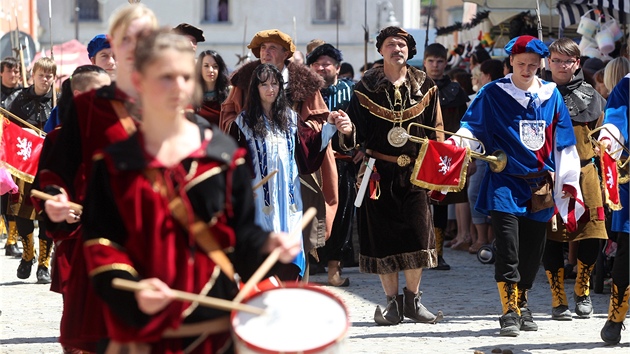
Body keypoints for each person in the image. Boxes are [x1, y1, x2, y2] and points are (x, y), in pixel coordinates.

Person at [80, 29, 300, 354]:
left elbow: (241, 235)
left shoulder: (223, 155)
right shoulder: (115, 163)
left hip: (214, 331)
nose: (178, 86)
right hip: (140, 333)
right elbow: (100, 241)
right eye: (164, 76)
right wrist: (132, 289)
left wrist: (268, 244)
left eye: (185, 76)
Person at [37, 4, 159, 352]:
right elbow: (55, 169)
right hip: (99, 246)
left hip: (156, 247)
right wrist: (56, 198)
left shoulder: (168, 102)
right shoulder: (89, 109)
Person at [447, 35, 583, 337]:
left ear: (541, 64)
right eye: (521, 64)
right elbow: (472, 126)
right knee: (508, 248)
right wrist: (456, 143)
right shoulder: (493, 92)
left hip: (540, 186)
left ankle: (523, 302)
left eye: (533, 65)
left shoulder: (550, 94)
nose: (526, 70)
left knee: (533, 252)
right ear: (511, 62)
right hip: (504, 183)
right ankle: (509, 310)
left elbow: (563, 140)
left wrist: (568, 179)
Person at [341, 26, 444, 326]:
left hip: (415, 171)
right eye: (390, 44)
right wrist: (348, 132)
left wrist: (439, 168)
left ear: (410, 51)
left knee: (417, 234)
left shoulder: (425, 85)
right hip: (378, 173)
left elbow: (435, 129)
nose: (396, 48)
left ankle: (413, 301)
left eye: (402, 44)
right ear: (381, 50)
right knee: (383, 238)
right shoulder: (365, 87)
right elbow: (352, 131)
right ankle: (392, 305)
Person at [220, 29, 338, 280]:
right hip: (258, 192)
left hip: (290, 191)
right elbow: (229, 125)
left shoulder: (297, 103)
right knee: (258, 249)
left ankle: (292, 292)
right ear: (256, 87)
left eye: (272, 48)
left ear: (286, 54)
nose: (266, 53)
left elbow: (311, 141)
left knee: (294, 245)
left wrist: (330, 126)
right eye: (262, 49)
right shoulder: (243, 103)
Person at [541, 37, 607, 321]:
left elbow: (604, 136)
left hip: (586, 171)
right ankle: (558, 298)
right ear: (548, 62)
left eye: (567, 60)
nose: (561, 65)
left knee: (593, 232)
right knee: (551, 236)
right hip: (547, 174)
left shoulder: (592, 96)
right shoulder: (538, 93)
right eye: (556, 60)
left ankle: (583, 292)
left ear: (576, 63)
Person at [307, 43, 356, 286]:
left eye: (326, 63)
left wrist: (361, 147)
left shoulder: (352, 92)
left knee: (341, 217)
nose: (321, 67)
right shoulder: (303, 93)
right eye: (316, 64)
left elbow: (364, 125)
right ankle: (311, 263)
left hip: (342, 162)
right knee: (312, 215)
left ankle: (334, 269)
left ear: (337, 68)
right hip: (311, 165)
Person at [7, 57, 58, 284]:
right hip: (24, 164)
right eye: (41, 75)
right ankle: (28, 255)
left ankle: (44, 264)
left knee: (46, 214)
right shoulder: (19, 99)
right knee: (22, 212)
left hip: (49, 165)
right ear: (33, 75)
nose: (45, 80)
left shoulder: (59, 101)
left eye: (49, 76)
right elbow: (9, 126)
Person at [423, 43, 469, 270]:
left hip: (445, 154)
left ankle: (437, 254)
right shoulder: (415, 87)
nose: (435, 65)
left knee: (440, 203)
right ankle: (421, 252)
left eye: (439, 61)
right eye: (431, 61)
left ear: (445, 63)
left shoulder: (455, 91)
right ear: (424, 62)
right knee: (419, 204)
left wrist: (465, 156)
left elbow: (464, 126)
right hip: (420, 152)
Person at [597, 73, 629, 345]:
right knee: (628, 253)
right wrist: (609, 139)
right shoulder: (627, 85)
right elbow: (615, 120)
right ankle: (616, 317)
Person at [466, 59, 504, 252]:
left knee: (478, 194)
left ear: (487, 76)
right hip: (484, 154)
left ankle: (485, 239)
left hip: (490, 154)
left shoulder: (489, 94)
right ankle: (484, 238)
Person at [194, 50, 230, 126]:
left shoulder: (229, 95)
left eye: (215, 66)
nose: (211, 70)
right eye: (206, 66)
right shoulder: (192, 95)